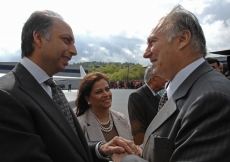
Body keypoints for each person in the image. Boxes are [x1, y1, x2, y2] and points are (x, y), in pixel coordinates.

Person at [0, 10, 140, 161]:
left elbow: (67, 149)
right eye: (66, 40)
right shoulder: (6, 96)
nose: (74, 51)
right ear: (39, 38)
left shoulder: (50, 89)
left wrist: (100, 149)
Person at [112, 5, 230, 162]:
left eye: (152, 42)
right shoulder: (185, 90)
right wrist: (142, 152)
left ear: (182, 39)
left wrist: (127, 159)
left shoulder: (212, 97)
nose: (146, 53)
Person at [76, 72, 133, 143]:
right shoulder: (80, 124)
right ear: (88, 99)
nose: (106, 94)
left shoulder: (121, 118)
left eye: (107, 89)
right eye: (99, 92)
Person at [128, 66, 167, 145]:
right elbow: (138, 130)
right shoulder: (137, 96)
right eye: (164, 76)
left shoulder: (158, 97)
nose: (166, 80)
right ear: (154, 79)